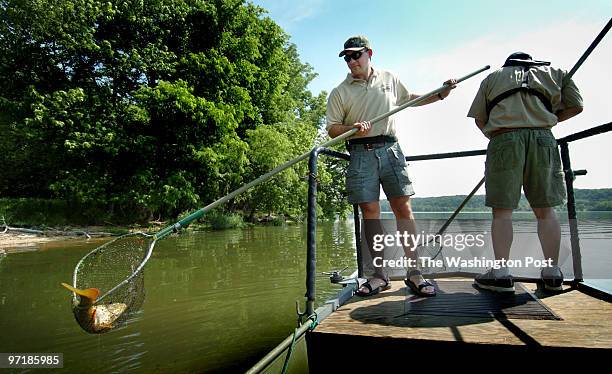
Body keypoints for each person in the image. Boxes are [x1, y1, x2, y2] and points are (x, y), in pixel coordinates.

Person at [326, 35, 456, 297]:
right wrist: (352, 129)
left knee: (402, 208)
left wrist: (440, 93)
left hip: (391, 149)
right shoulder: (340, 91)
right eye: (347, 57)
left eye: (355, 55)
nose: (351, 61)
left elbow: (411, 99)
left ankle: (415, 273)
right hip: (360, 154)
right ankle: (379, 275)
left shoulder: (389, 78)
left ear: (369, 53)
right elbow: (332, 129)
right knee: (370, 211)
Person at [467, 52, 583, 293]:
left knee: (502, 212)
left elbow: (479, 118)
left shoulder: (492, 78)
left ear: (508, 63)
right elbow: (576, 105)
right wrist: (548, 119)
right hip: (543, 138)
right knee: (545, 210)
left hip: (504, 138)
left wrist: (498, 135)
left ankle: (501, 275)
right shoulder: (556, 73)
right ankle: (552, 273)